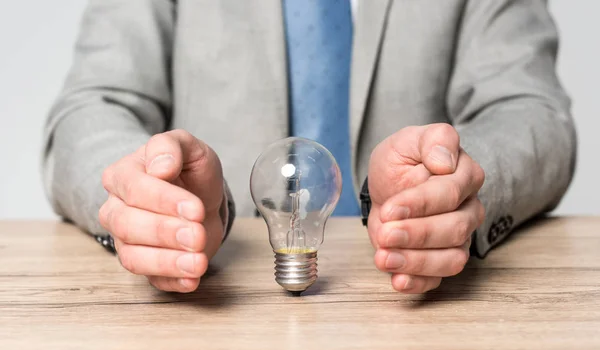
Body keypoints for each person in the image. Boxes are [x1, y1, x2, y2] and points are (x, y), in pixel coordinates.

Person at [43, 0, 576, 294]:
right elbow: (92, 107)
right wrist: (148, 194)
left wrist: (451, 177)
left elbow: (532, 111)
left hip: (404, 311)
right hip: (220, 307)